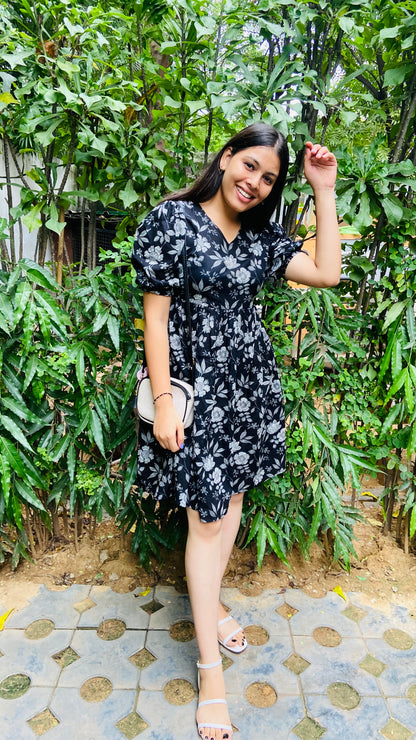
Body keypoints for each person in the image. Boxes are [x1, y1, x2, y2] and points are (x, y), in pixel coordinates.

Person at [131, 122, 341, 740]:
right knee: (208, 518)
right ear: (226, 159)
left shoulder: (261, 239)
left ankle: (214, 603)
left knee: (233, 504)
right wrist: (164, 400)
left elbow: (328, 271)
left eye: (269, 177)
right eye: (248, 165)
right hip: (193, 394)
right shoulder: (171, 222)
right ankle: (210, 670)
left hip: (246, 389)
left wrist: (322, 189)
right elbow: (156, 316)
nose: (254, 182)